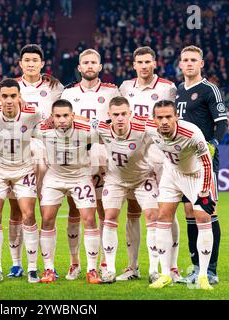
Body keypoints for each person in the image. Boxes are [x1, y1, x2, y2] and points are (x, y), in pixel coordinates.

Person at [118, 46, 182, 282]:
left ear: (155, 63)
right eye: (139, 62)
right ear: (133, 65)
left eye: (147, 61)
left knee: (167, 208)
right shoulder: (125, 87)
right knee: (133, 211)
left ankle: (172, 266)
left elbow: (175, 119)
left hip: (161, 155)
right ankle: (132, 267)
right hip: (134, 156)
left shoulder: (168, 88)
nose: (144, 66)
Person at [61, 48, 120, 280]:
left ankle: (105, 261)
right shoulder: (68, 93)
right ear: (79, 67)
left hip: (103, 154)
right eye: (85, 62)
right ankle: (75, 262)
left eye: (93, 62)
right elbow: (63, 121)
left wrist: (86, 122)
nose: (89, 66)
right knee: (75, 209)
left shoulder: (111, 91)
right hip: (76, 155)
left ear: (100, 67)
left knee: (104, 208)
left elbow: (114, 120)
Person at [0, 78, 43, 283]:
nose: (8, 100)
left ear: (19, 97)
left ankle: (32, 268)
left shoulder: (33, 114)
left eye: (13, 96)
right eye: (4, 96)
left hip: (23, 171)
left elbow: (48, 131)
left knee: (29, 214)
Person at [7, 44, 64, 278]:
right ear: (20, 63)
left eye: (35, 60)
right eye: (26, 60)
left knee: (46, 209)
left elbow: (65, 113)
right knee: (17, 210)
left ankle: (48, 264)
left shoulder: (54, 86)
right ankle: (16, 264)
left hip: (47, 150)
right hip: (17, 151)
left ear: (42, 64)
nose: (30, 63)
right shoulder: (11, 87)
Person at [146, 100, 215, 290]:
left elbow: (208, 163)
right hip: (171, 173)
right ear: (154, 119)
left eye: (169, 116)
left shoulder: (192, 132)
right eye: (160, 118)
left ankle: (202, 276)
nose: (164, 121)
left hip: (197, 174)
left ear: (176, 116)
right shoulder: (149, 127)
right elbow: (123, 120)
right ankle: (165, 274)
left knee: (202, 217)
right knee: (162, 216)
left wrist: (204, 192)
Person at [89, 97, 159, 284]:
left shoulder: (144, 128)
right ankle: (109, 270)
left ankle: (154, 270)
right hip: (115, 180)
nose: (120, 118)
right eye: (116, 115)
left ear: (130, 114)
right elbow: (79, 126)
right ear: (109, 116)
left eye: (123, 114)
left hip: (142, 178)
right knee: (109, 216)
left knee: (152, 217)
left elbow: (166, 129)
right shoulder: (102, 128)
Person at [176, 45, 228, 285]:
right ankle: (196, 266)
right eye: (185, 60)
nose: (189, 63)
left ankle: (212, 270)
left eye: (193, 60)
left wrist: (214, 143)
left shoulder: (210, 89)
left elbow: (222, 122)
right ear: (180, 64)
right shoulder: (177, 91)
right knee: (189, 212)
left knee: (207, 212)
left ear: (201, 64)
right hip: (183, 162)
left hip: (205, 161)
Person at [35, 99, 102, 284]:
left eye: (66, 115)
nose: (62, 120)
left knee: (89, 219)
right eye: (58, 116)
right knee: (47, 219)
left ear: (72, 115)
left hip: (80, 177)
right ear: (52, 117)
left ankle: (91, 269)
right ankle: (49, 269)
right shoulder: (42, 130)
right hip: (54, 177)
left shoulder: (86, 130)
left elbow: (106, 131)